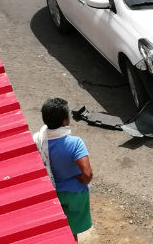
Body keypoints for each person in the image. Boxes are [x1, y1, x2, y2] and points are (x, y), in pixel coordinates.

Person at [33, 98, 93, 241]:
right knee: (71, 232)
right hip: (75, 194)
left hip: (52, 193)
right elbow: (88, 174)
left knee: (56, 230)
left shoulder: (37, 140)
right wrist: (82, 180)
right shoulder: (75, 143)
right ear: (65, 121)